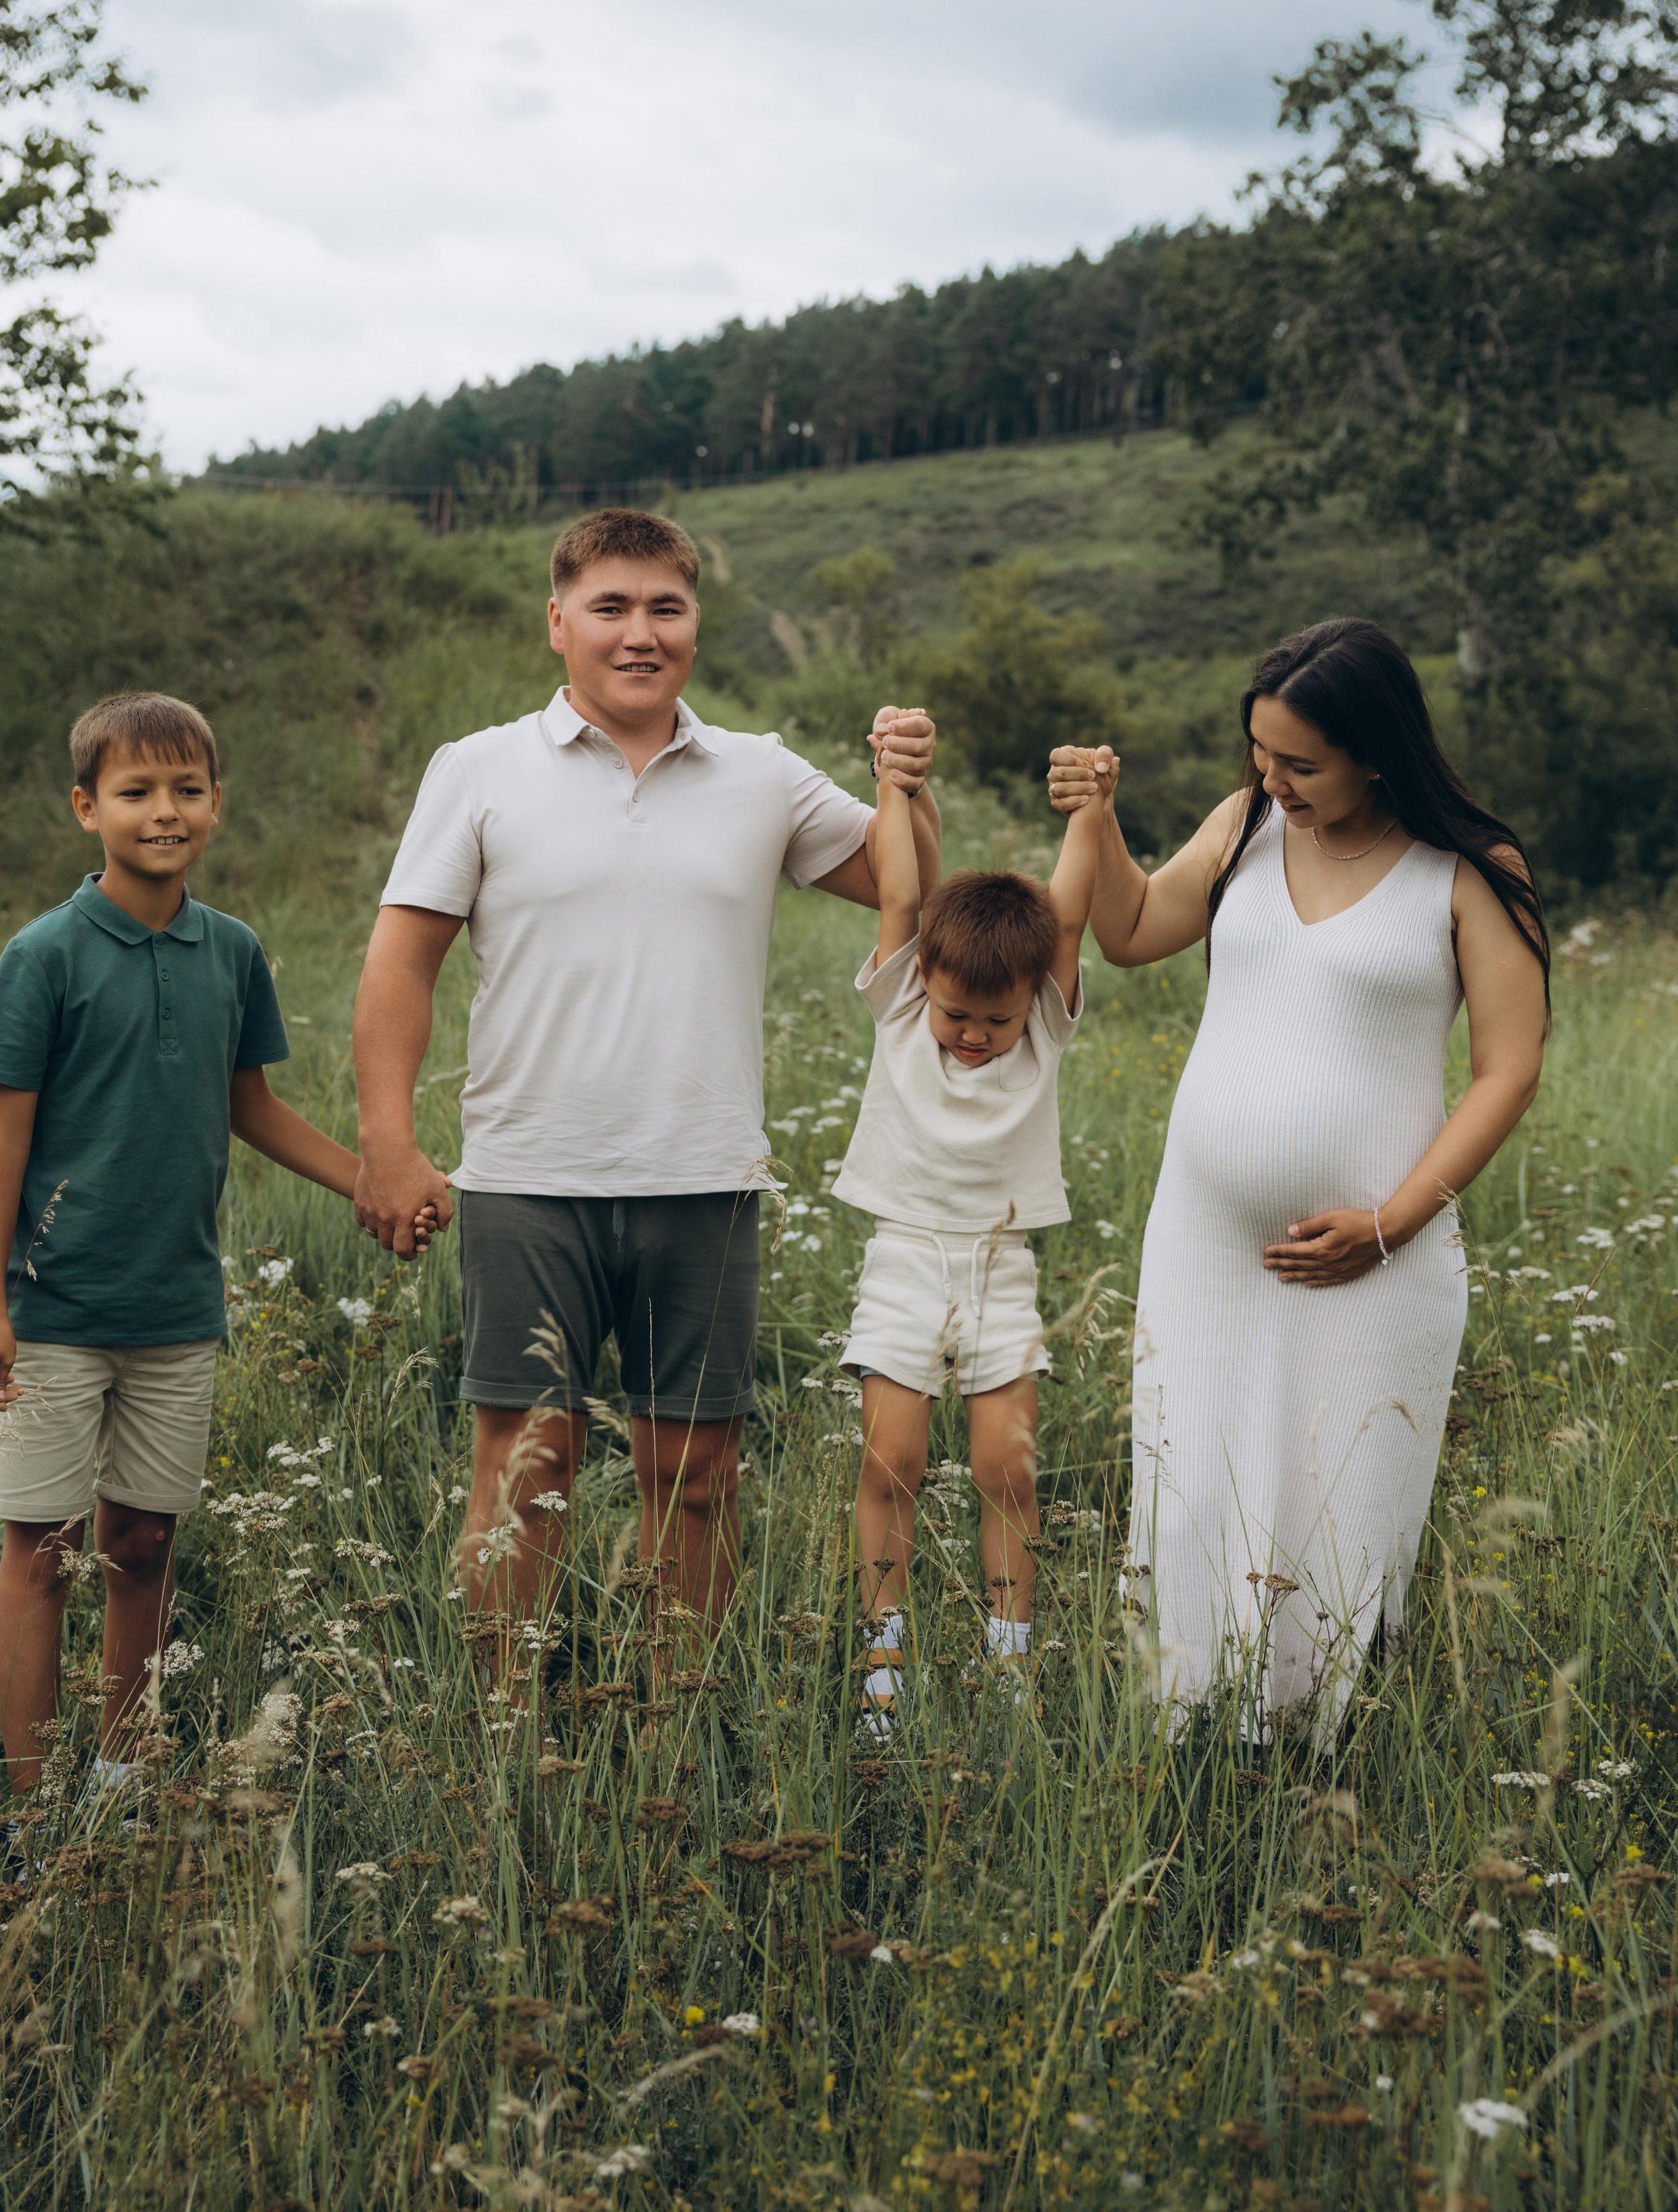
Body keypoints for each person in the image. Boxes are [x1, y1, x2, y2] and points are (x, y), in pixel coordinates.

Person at [353, 507, 939, 1643]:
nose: (639, 633)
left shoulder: (761, 774)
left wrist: (905, 781)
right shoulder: (477, 770)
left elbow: (899, 883)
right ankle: (505, 1729)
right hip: (529, 1177)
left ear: (696, 625)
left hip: (704, 1179)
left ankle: (680, 1724)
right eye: (610, 607)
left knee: (700, 1469)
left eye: (664, 607)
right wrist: (388, 1142)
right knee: (526, 1470)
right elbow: (400, 963)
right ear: (557, 622)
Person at [1050, 618, 1549, 1733]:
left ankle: (1319, 1765)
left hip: (1376, 1259)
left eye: (1302, 764)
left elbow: (1509, 1071)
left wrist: (1392, 1222)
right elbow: (1128, 930)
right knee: (1195, 1500)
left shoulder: (1469, 869)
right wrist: (1100, 819)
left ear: (1378, 750)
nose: (1274, 780)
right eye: (1261, 754)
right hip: (1206, 1247)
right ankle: (1190, 1741)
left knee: (1341, 1514)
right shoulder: (1244, 828)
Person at [0, 692, 408, 1801]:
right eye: (137, 792)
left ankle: (120, 1770)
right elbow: (0, 1140)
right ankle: (32, 1797)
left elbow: (249, 1104)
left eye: (187, 790)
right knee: (44, 1551)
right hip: (54, 1307)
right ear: (86, 807)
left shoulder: (232, 951)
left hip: (174, 1309)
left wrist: (372, 1179)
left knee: (145, 1543)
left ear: (216, 804)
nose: (165, 812)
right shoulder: (46, 954)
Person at [834, 727, 1108, 1730]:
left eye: (993, 1022)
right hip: (903, 1257)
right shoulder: (906, 1003)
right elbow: (901, 897)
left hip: (1004, 1269)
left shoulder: (1043, 1021)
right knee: (890, 1463)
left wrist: (1089, 812)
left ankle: (1007, 1672)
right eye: (958, 1015)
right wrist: (894, 783)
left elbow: (1069, 918)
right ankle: (883, 1669)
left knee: (1006, 1470)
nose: (973, 1037)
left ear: (1030, 1004)